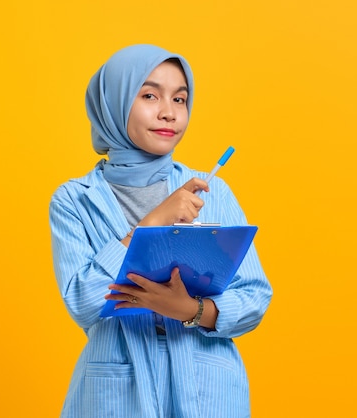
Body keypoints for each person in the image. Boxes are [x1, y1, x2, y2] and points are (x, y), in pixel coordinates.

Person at [49, 44, 272, 418]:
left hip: (209, 392)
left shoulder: (211, 191)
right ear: (114, 103)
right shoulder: (73, 200)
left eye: (180, 99)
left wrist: (190, 309)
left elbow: (254, 297)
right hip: (116, 395)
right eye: (150, 95)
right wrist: (152, 223)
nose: (169, 113)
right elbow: (83, 303)